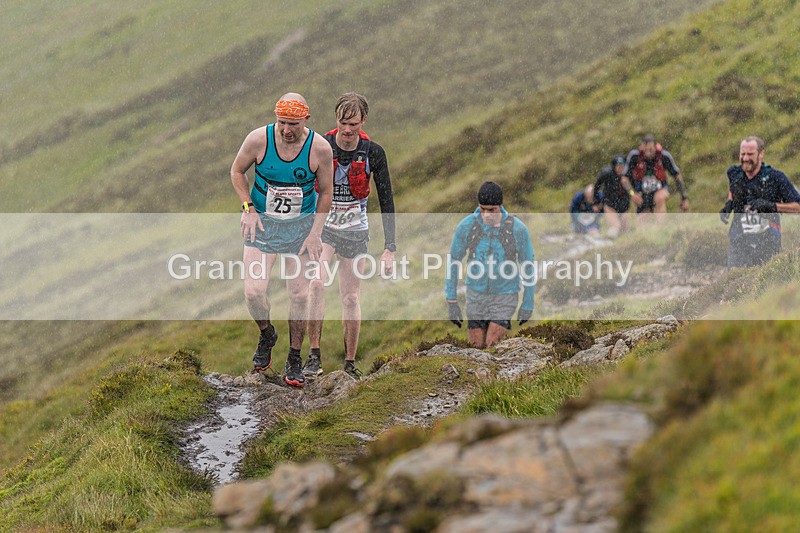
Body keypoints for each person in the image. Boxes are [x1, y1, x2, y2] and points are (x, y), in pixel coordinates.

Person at [230, 92, 334, 388]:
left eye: (293, 124)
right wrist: (248, 208)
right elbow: (237, 171)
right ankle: (266, 333)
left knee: (299, 296)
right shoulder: (258, 140)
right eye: (282, 123)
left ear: (306, 120)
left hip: (300, 230)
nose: (287, 130)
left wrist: (316, 233)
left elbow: (325, 192)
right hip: (262, 225)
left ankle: (294, 357)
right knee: (253, 291)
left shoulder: (320, 149)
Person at [306, 92, 396, 379]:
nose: (347, 130)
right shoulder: (321, 145)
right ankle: (313, 355)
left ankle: (349, 363)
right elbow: (305, 188)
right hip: (326, 230)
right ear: (336, 119)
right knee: (317, 284)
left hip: (356, 233)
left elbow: (387, 200)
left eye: (353, 124)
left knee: (350, 298)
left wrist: (389, 247)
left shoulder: (374, 153)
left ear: (363, 121)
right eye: (343, 123)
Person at [445, 182, 535, 348]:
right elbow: (454, 260)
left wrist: (528, 303)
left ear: (500, 206)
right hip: (475, 296)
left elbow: (528, 265)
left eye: (491, 210)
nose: (486, 214)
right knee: (476, 348)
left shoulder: (517, 229)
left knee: (492, 344)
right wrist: (451, 301)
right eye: (482, 209)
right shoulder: (467, 226)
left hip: (505, 295)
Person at [720, 135, 800, 268]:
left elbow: (798, 207)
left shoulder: (775, 177)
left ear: (761, 154)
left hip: (767, 240)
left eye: (750, 154)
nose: (745, 158)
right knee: (735, 281)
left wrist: (771, 206)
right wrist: (729, 204)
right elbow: (733, 188)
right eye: (743, 154)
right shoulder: (734, 173)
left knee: (766, 284)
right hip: (739, 239)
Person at [624, 134, 689, 218]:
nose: (648, 153)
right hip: (641, 194)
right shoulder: (634, 156)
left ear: (655, 147)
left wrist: (684, 198)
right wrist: (632, 194)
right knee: (644, 224)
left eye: (650, 150)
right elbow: (624, 179)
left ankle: (661, 228)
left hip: (661, 189)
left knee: (659, 198)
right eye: (645, 150)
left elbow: (677, 176)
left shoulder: (664, 156)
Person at [593, 155, 631, 237]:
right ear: (614, 166)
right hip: (610, 205)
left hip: (624, 205)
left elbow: (632, 192)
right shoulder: (607, 174)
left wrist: (628, 187)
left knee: (625, 229)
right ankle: (608, 241)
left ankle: (622, 246)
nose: (621, 169)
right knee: (615, 226)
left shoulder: (628, 175)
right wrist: (596, 202)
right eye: (619, 166)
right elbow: (596, 187)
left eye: (622, 166)